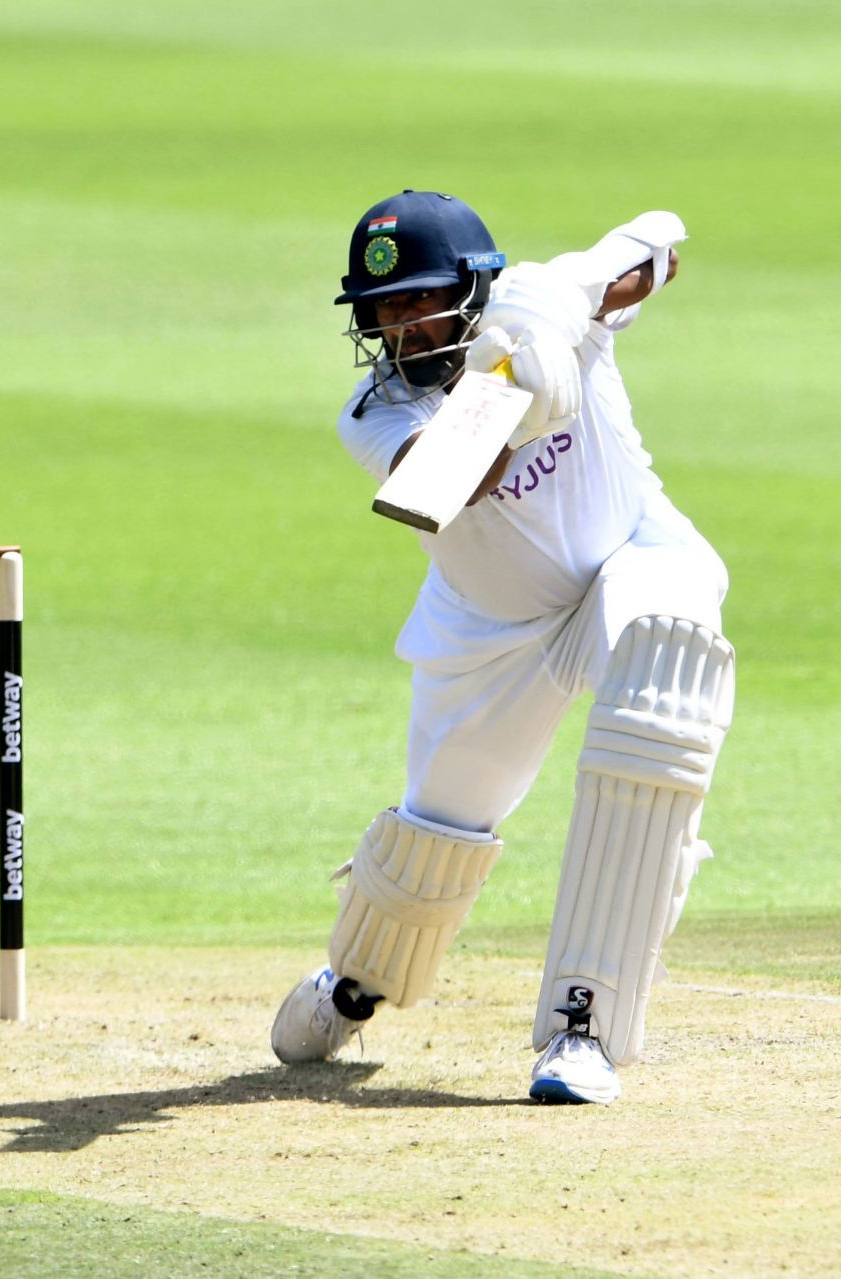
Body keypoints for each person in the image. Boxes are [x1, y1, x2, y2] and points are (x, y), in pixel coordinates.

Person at [269, 190, 734, 1104]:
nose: (402, 327)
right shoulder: (374, 413)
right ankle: (356, 983)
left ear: (476, 286)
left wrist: (571, 301)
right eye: (385, 310)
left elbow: (662, 242)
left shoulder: (532, 304)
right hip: (489, 631)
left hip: (628, 557)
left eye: (420, 300)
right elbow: (441, 485)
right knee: (430, 842)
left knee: (662, 679)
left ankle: (583, 1026)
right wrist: (511, 387)